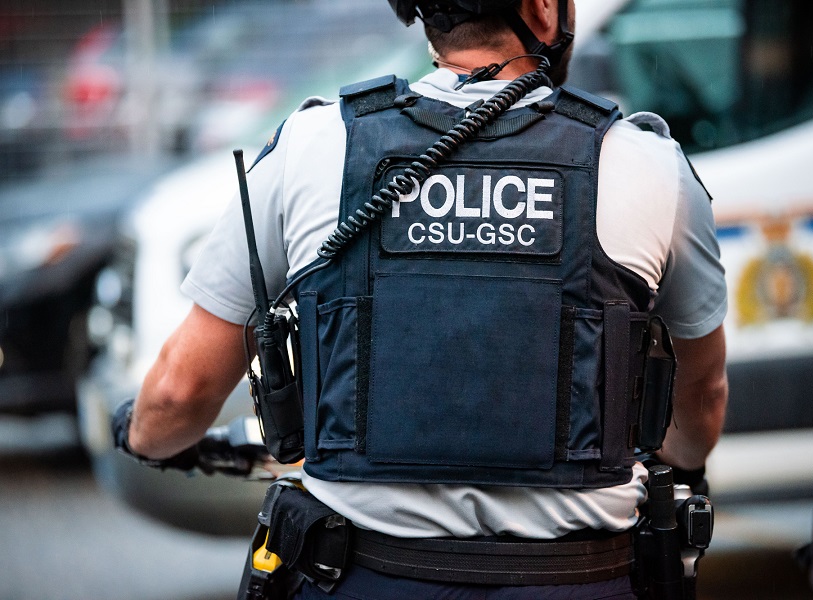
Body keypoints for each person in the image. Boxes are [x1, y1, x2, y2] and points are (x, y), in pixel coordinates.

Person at [113, 1, 729, 598]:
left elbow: (179, 391)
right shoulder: (649, 164)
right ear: (543, 9)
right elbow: (699, 400)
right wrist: (681, 459)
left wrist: (140, 436)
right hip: (578, 576)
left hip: (358, 576)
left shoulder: (313, 145)